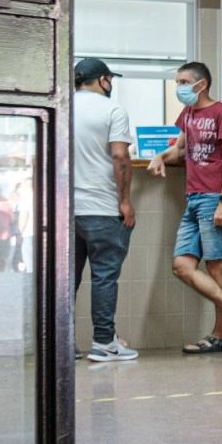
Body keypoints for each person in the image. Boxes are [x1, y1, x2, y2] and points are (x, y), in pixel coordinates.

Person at [148, 61, 222, 354]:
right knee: (181, 266)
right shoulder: (188, 114)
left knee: (216, 265)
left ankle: (220, 335)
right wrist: (160, 156)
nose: (179, 87)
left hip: (214, 197)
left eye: (183, 81)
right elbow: (180, 149)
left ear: (201, 84)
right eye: (177, 82)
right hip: (193, 197)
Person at [72, 57, 139, 362]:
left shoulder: (63, 107)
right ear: (102, 80)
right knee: (104, 276)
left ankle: (61, 343)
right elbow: (120, 157)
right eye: (110, 79)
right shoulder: (113, 110)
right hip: (101, 207)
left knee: (66, 279)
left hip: (66, 210)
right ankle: (103, 342)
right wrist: (124, 201)